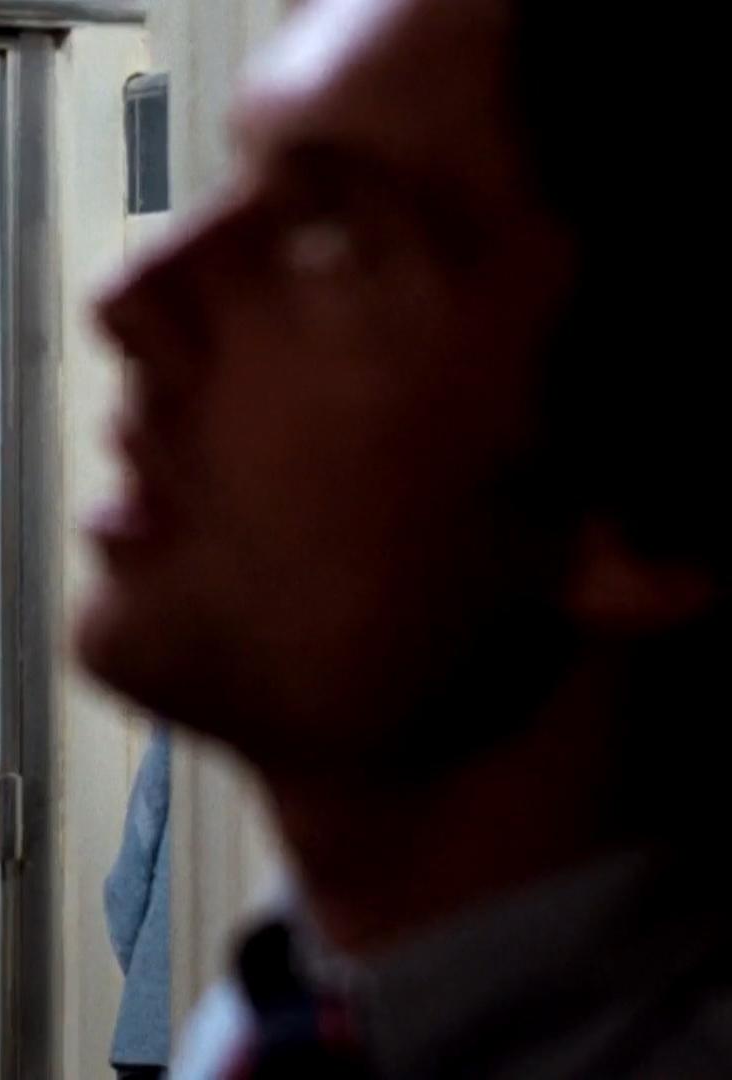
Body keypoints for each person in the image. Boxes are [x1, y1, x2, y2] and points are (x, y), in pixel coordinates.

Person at [77, 0, 729, 1076]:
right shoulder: (303, 1004)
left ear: (646, 499)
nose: (128, 301)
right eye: (237, 179)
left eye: (335, 232)